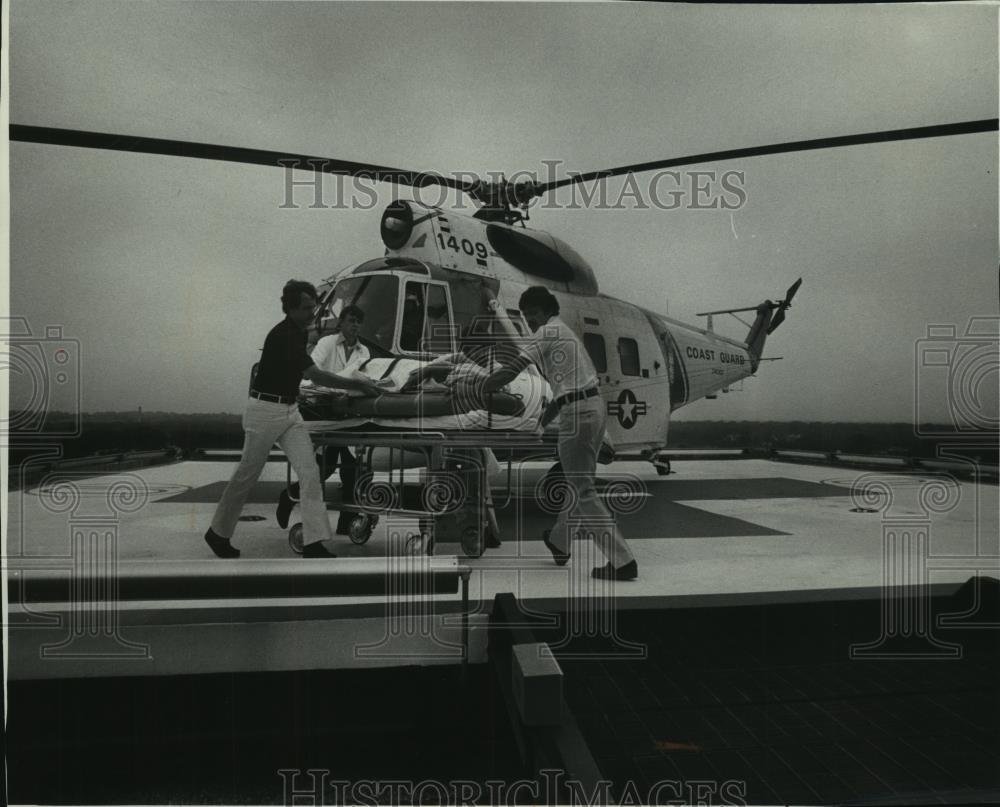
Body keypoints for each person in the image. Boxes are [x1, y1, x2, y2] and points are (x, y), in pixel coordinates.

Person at [458, 286, 638, 580]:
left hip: (578, 415)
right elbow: (563, 390)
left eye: (532, 315)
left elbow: (511, 371)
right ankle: (560, 541)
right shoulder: (563, 332)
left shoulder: (547, 332)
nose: (530, 322)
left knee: (582, 490)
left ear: (546, 311)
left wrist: (479, 389)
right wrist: (542, 423)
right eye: (526, 317)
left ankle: (622, 561)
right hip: (591, 408)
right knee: (577, 483)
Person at [204, 281, 379, 560]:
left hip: (289, 411)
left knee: (310, 474)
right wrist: (359, 385)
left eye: (313, 306)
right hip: (264, 411)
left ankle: (314, 542)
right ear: (291, 309)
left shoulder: (298, 333)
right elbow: (314, 374)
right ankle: (217, 533)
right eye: (307, 308)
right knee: (246, 476)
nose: (313, 312)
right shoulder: (285, 334)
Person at [276, 304, 369, 535]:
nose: (355, 325)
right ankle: (288, 497)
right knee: (324, 470)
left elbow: (360, 376)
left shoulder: (363, 352)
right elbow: (312, 369)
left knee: (353, 470)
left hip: (349, 413)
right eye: (350, 320)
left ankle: (346, 524)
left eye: (358, 321)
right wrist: (334, 388)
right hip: (323, 409)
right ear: (341, 323)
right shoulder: (327, 343)